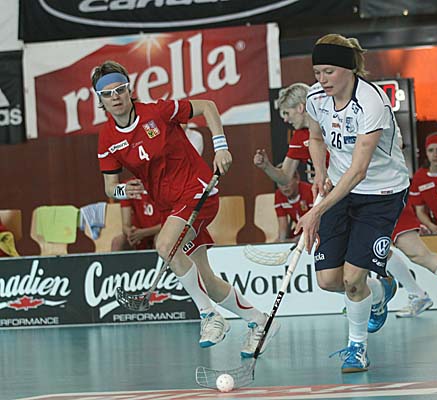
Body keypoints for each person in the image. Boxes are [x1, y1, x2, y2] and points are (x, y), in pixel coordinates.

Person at [93, 60, 278, 358]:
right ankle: (261, 322)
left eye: (120, 89)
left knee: (165, 245)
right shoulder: (107, 138)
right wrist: (123, 191)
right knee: (207, 280)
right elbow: (109, 188)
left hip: (198, 191)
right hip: (169, 207)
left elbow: (207, 107)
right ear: (100, 100)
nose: (115, 97)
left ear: (129, 90)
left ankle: (209, 316)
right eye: (107, 93)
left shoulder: (157, 112)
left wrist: (221, 146)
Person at [294, 33, 409, 373]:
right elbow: (315, 137)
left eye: (329, 71)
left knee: (352, 280)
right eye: (317, 72)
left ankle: (357, 348)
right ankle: (381, 289)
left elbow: (359, 171)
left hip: (380, 194)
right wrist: (319, 173)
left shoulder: (372, 103)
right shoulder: (315, 97)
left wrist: (316, 210)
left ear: (348, 69)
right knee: (329, 280)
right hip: (340, 189)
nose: (322, 79)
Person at [254, 83, 315, 185]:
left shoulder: (333, 123)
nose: (285, 119)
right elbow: (285, 177)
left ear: (300, 108)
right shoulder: (299, 137)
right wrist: (266, 166)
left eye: (287, 113)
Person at [111, 178, 163, 251]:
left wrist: (143, 233)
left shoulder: (162, 184)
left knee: (160, 239)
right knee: (117, 242)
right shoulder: (129, 186)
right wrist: (130, 233)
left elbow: (169, 222)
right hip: (137, 233)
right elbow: (125, 225)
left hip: (158, 231)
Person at [274, 170, 314, 241]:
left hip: (315, 229)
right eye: (280, 183)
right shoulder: (278, 195)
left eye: (287, 181)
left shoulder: (310, 191)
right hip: (298, 231)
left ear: (297, 179)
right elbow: (282, 227)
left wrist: (302, 238)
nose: (285, 186)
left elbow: (318, 221)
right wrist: (281, 241)